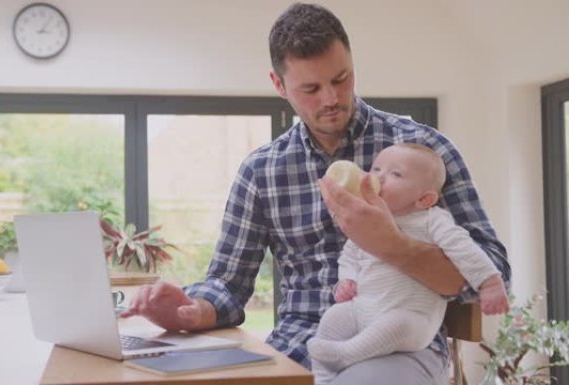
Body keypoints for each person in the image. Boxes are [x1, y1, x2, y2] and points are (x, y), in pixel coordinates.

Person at [121, 3, 511, 384]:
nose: (331, 99)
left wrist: (393, 246)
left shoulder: (424, 153)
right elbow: (227, 284)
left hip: (399, 343)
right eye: (310, 88)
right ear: (279, 85)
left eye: (341, 79)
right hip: (299, 343)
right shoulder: (262, 171)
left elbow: (494, 272)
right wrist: (189, 310)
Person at [307, 143, 509, 384]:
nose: (379, 178)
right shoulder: (368, 219)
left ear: (424, 199)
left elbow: (464, 250)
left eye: (396, 174)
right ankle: (322, 375)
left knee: (397, 324)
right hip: (366, 309)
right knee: (334, 316)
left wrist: (490, 282)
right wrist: (347, 278)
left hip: (411, 319)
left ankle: (345, 356)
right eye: (376, 169)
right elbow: (350, 255)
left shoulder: (431, 221)